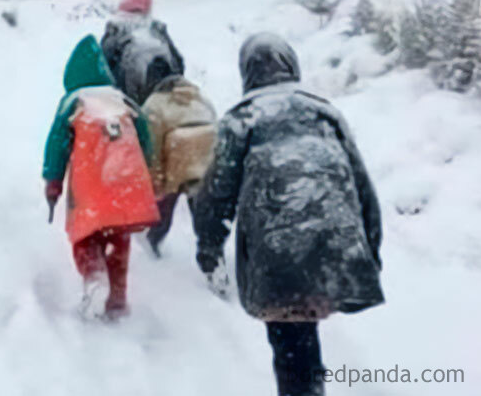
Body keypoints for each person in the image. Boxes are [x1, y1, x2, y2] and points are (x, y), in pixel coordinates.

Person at [193, 32, 384, 396]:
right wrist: (370, 252)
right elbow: (363, 188)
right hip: (337, 244)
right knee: (303, 340)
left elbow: (216, 195)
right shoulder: (327, 113)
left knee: (291, 343)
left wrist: (209, 247)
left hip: (278, 252)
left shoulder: (241, 121)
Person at [42, 34, 159, 320]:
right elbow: (145, 138)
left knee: (84, 234)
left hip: (91, 181)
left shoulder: (73, 101)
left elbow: (57, 143)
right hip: (126, 179)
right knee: (119, 238)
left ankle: (93, 275)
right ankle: (116, 300)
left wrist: (53, 181)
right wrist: (147, 174)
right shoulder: (123, 100)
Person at [141, 59, 217, 257]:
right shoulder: (200, 97)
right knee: (203, 218)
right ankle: (212, 257)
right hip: (207, 162)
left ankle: (153, 251)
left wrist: (156, 184)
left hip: (178, 162)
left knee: (163, 212)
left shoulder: (153, 105)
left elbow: (153, 150)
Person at [101, 0, 184, 105]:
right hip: (159, 110)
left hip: (121, 110)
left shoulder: (113, 35)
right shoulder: (158, 36)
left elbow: (102, 73)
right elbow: (177, 69)